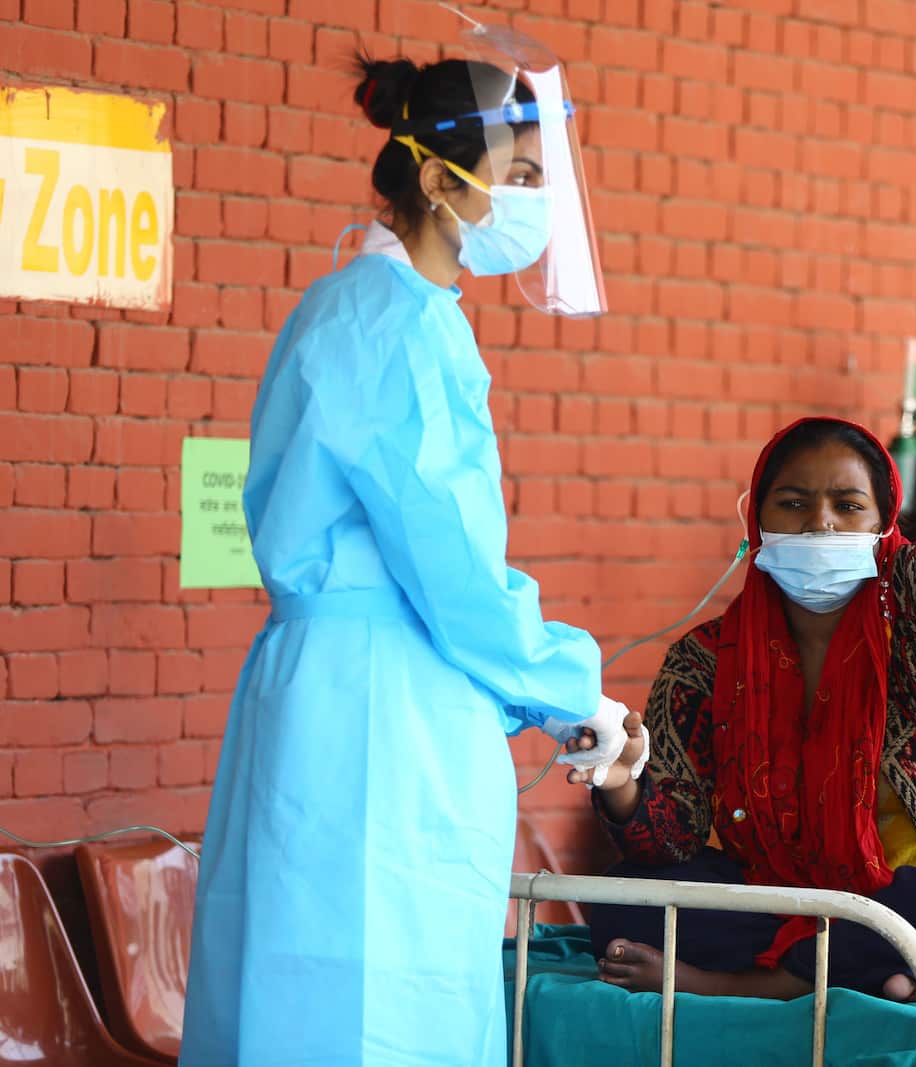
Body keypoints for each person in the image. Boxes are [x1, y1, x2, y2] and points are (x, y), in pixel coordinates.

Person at [181, 24, 643, 1067]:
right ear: (441, 181)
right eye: (517, 173)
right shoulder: (398, 325)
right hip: (378, 709)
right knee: (375, 1005)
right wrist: (576, 687)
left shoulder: (353, 304)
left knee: (299, 986)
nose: (531, 200)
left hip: (336, 691)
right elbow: (453, 570)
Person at [579, 416, 916, 1004]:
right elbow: (669, 843)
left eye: (848, 506)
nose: (820, 523)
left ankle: (751, 986)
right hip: (789, 897)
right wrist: (622, 783)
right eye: (794, 503)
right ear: (758, 519)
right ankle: (908, 982)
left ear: (884, 520)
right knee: (627, 899)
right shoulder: (707, 658)